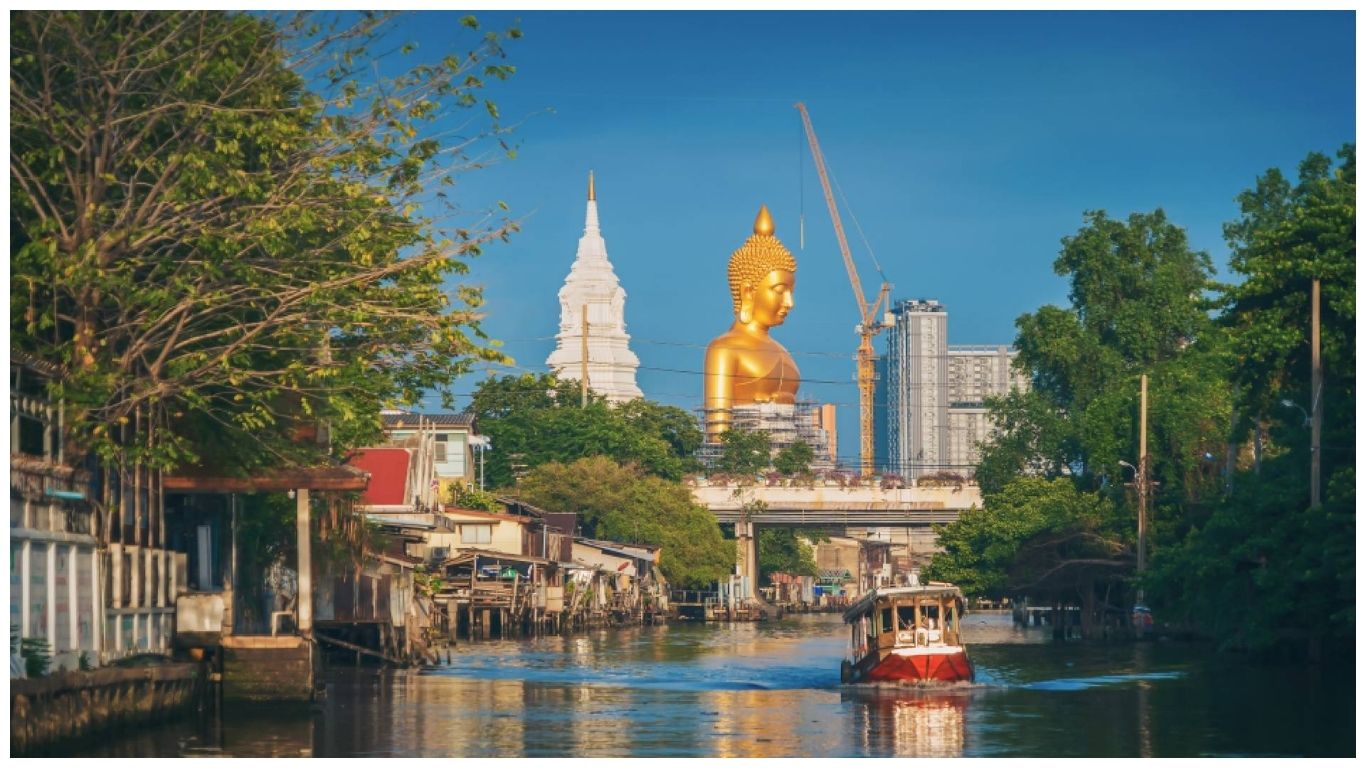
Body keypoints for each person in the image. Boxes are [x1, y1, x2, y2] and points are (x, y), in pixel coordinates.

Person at [703, 205, 800, 440]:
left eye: (791, 291)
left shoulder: (782, 350)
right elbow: (718, 433)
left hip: (793, 458)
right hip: (745, 458)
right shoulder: (724, 348)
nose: (789, 302)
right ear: (748, 292)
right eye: (780, 290)